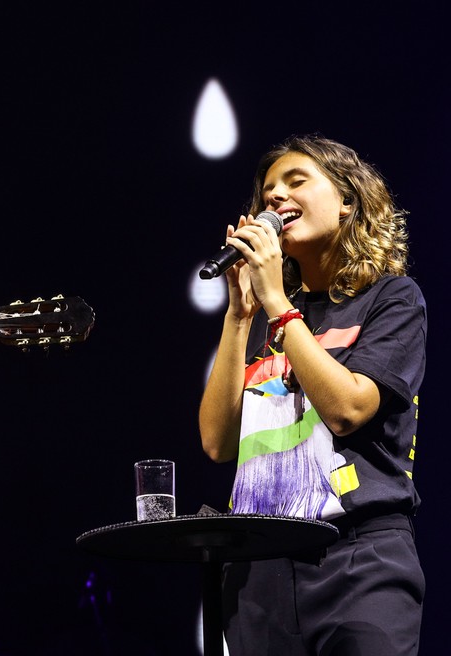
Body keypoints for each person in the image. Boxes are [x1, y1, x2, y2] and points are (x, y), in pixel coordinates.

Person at [198, 134, 425, 655]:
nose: (275, 196)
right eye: (267, 191)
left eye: (296, 181)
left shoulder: (391, 300)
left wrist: (278, 304)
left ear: (347, 200)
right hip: (260, 569)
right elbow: (217, 442)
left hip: (358, 558)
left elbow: (348, 410)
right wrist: (239, 315)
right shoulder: (260, 317)